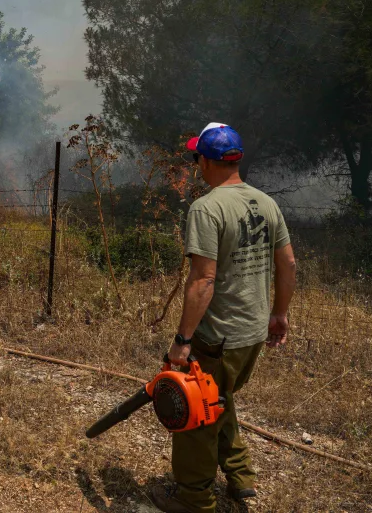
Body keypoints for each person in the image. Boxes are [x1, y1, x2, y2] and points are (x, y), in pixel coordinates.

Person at [149, 123, 297, 513]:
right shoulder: (267, 203)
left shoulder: (207, 207)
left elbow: (203, 280)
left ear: (207, 161)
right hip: (251, 335)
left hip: (217, 337)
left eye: (197, 156)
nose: (195, 163)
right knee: (221, 398)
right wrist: (278, 314)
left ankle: (194, 499)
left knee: (195, 415)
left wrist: (182, 341)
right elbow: (289, 263)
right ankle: (240, 477)